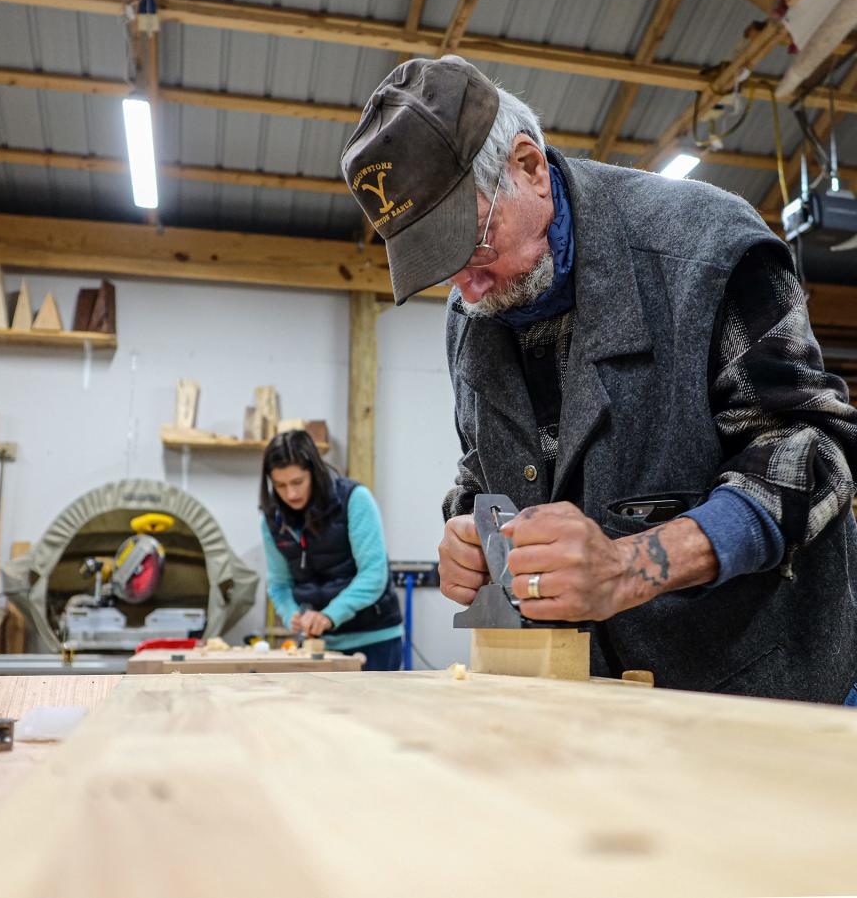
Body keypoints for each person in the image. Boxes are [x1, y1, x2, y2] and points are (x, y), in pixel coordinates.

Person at [340, 54, 857, 703]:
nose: (465, 285)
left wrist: (627, 565)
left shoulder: (706, 248)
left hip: (755, 682)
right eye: (437, 264)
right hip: (598, 697)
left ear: (529, 166)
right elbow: (482, 465)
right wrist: (468, 528)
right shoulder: (471, 311)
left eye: (472, 244)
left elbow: (811, 452)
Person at [259, 430, 403, 670]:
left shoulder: (354, 500)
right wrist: (292, 615)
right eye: (280, 485)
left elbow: (373, 575)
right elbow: (278, 584)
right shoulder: (272, 520)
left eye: (297, 482)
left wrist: (328, 616)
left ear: (314, 472)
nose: (291, 494)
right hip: (320, 645)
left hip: (374, 638)